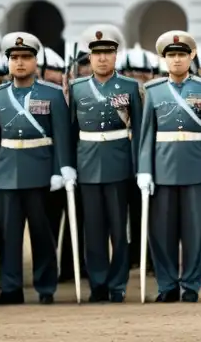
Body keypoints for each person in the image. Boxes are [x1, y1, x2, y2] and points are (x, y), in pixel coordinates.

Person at [0, 32, 74, 305]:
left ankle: (46, 287)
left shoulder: (52, 94)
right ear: (8, 62)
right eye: (14, 58)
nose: (19, 63)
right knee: (9, 236)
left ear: (36, 61)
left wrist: (63, 168)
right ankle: (11, 288)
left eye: (25, 57)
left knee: (42, 233)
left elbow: (61, 135)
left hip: (41, 171)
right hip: (7, 171)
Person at [137, 30, 201, 302]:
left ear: (191, 56)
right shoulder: (152, 90)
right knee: (160, 233)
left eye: (181, 55)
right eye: (171, 55)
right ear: (164, 59)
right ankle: (166, 285)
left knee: (194, 232)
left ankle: (190, 284)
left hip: (196, 169)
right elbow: (146, 135)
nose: (176, 60)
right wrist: (144, 169)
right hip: (162, 169)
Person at [69, 24, 143, 302]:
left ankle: (117, 284)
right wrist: (67, 166)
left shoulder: (130, 87)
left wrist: (138, 167)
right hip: (87, 163)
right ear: (89, 57)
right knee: (94, 229)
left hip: (119, 163)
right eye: (97, 53)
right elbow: (69, 131)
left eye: (108, 53)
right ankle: (97, 283)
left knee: (118, 228)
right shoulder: (77, 88)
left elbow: (139, 130)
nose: (102, 58)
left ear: (116, 56)